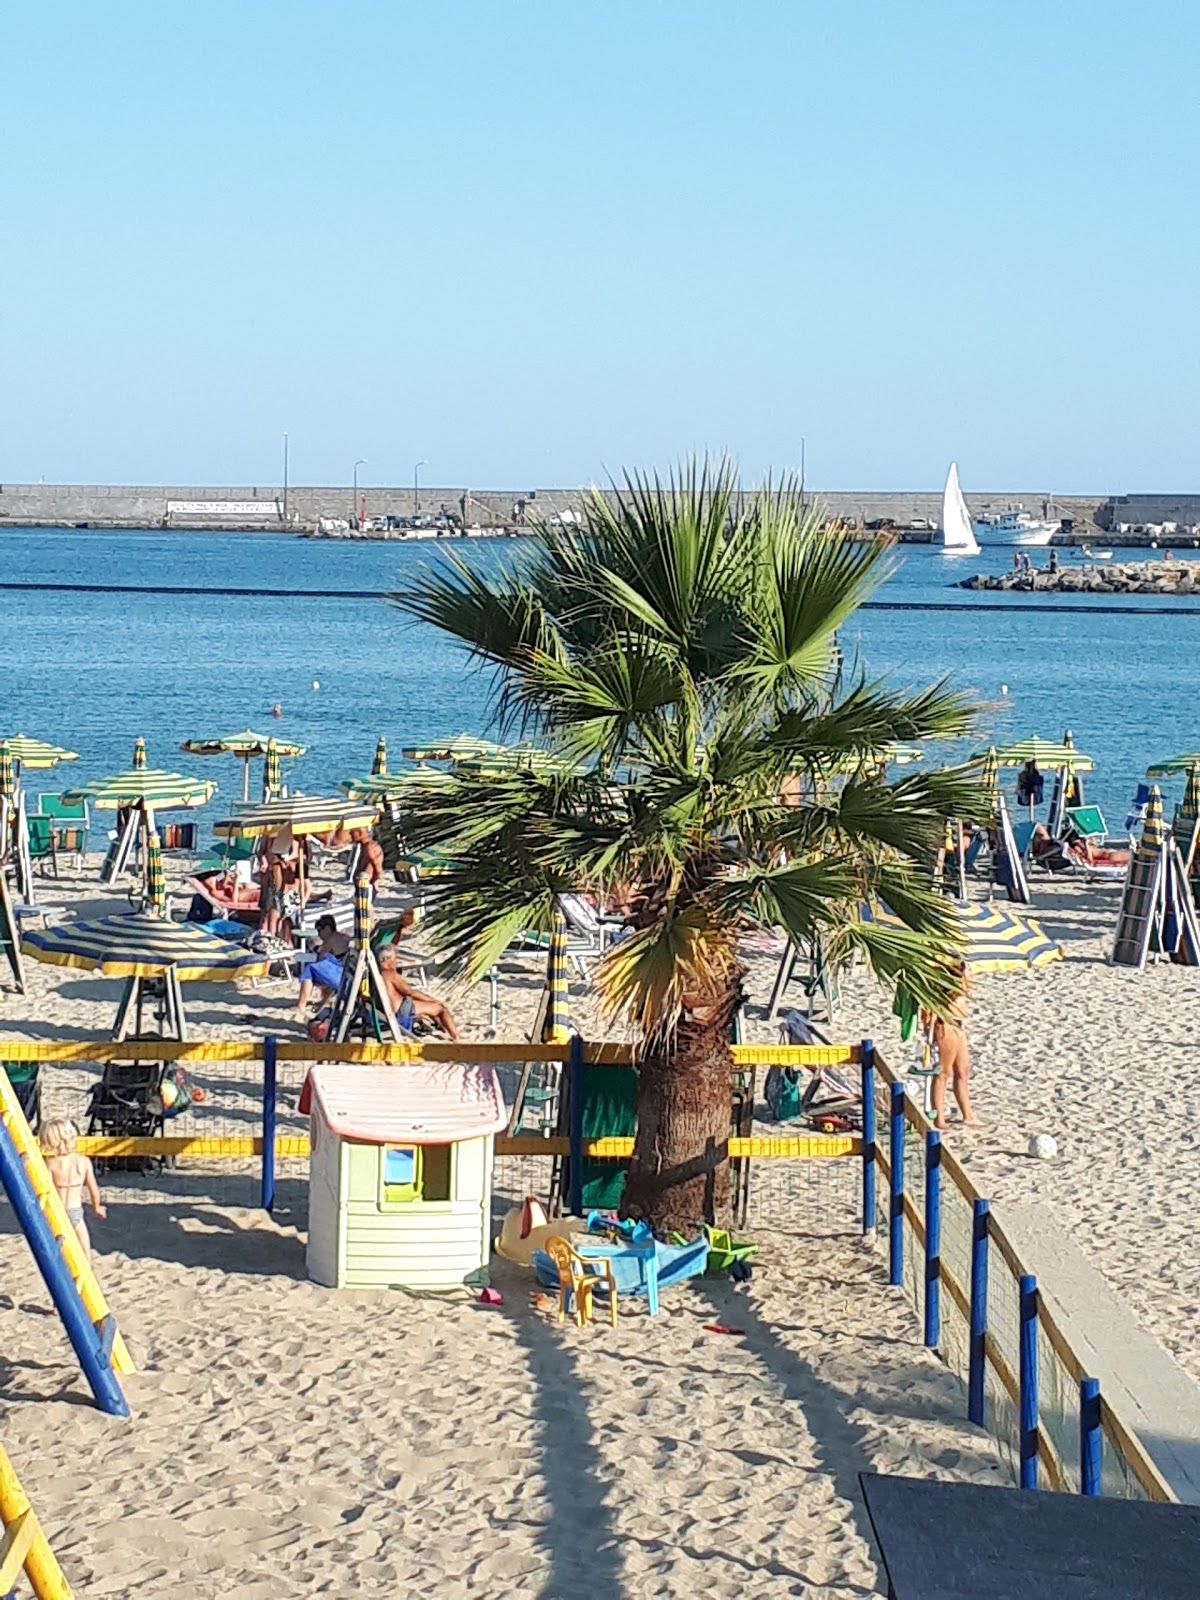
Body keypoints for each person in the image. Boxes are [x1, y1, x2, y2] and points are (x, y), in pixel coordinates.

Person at [920, 968, 977, 1132]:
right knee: (943, 1073)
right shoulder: (944, 980)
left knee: (962, 1071)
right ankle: (939, 1119)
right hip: (945, 1024)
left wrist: (965, 973)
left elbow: (968, 987)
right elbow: (955, 991)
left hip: (958, 1024)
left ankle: (968, 1115)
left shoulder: (960, 978)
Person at [41, 1119, 106, 1259]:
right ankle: (87, 1267)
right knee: (84, 1249)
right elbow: (93, 1189)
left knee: (57, 1250)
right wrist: (97, 1207)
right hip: (75, 1211)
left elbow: (46, 1190)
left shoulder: (51, 1164)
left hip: (57, 1211)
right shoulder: (83, 1162)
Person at [378, 947, 461, 1040]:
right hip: (400, 1010)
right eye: (394, 958)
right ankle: (456, 1037)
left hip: (385, 1011)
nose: (396, 961)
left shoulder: (377, 974)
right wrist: (434, 1000)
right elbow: (410, 993)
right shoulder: (390, 974)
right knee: (441, 1009)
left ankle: (444, 1030)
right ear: (386, 959)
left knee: (429, 1005)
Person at [294, 913, 350, 1020]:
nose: (319, 935)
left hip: (341, 976)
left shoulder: (330, 940)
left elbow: (321, 958)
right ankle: (325, 1001)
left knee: (310, 969)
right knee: (324, 969)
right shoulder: (344, 937)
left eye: (320, 930)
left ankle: (301, 1005)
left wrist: (317, 949)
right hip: (348, 972)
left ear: (327, 928)